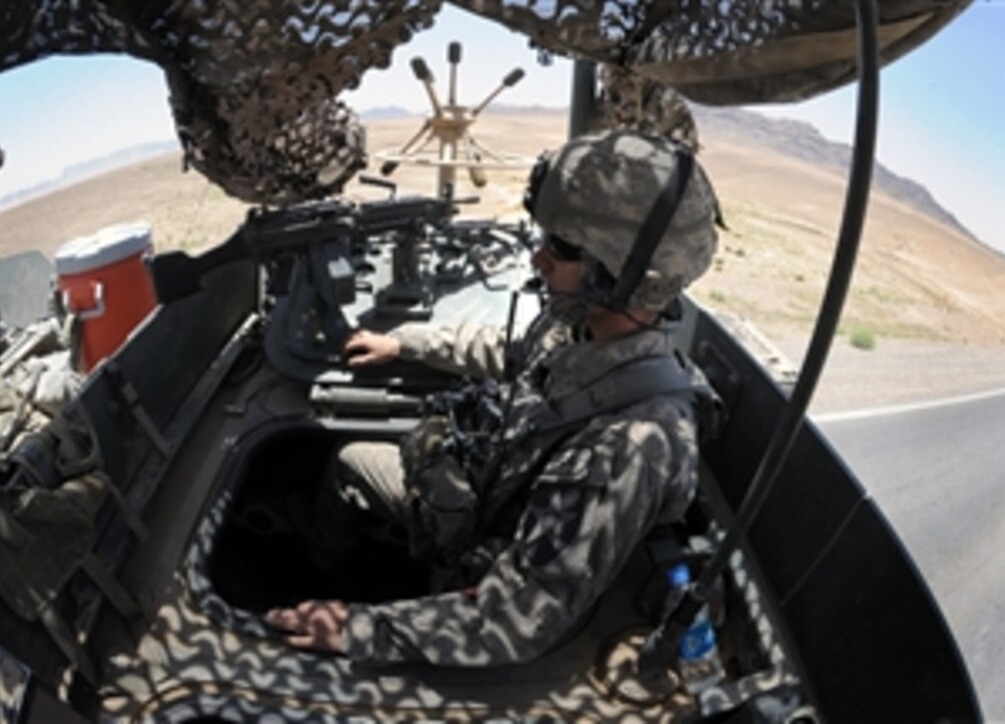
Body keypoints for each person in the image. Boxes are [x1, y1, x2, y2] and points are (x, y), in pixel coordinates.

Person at [265, 129, 722, 666]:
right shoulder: (582, 326)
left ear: (624, 278)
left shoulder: (632, 444)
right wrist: (404, 343)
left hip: (498, 553)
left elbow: (515, 620)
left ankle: (325, 571)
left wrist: (357, 629)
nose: (538, 259)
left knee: (350, 463)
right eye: (545, 238)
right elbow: (510, 348)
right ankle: (324, 561)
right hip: (487, 485)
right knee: (349, 462)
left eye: (563, 248)